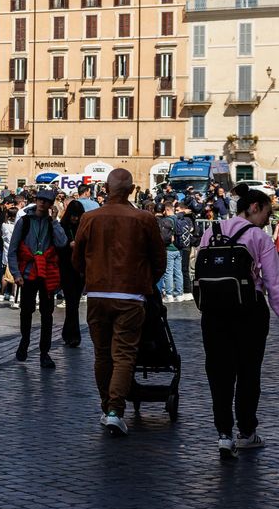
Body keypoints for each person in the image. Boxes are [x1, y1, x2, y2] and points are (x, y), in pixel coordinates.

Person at [196, 189, 279, 457]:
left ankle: (223, 434)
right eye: (266, 212)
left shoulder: (212, 231)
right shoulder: (258, 237)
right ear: (254, 207)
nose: (267, 219)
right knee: (248, 372)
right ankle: (246, 431)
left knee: (218, 372)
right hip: (248, 312)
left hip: (213, 312)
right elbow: (275, 283)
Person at [72, 168, 166, 437]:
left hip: (98, 294)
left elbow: (77, 258)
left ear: (106, 188)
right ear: (133, 189)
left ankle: (107, 408)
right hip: (131, 295)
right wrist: (144, 281)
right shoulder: (144, 218)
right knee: (123, 355)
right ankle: (115, 410)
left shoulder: (90, 218)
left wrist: (90, 275)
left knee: (102, 354)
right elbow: (158, 260)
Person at [8, 189, 66, 369]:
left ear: (50, 205)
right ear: (36, 201)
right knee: (26, 311)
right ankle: (24, 342)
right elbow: (13, 250)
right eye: (40, 200)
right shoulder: (24, 222)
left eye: (46, 201)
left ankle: (44, 352)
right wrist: (16, 274)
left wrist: (55, 221)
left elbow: (62, 243)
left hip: (46, 273)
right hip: (28, 274)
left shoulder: (51, 223)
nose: (42, 203)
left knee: (47, 315)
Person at [56, 201, 86, 347]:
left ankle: (68, 333)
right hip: (66, 268)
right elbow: (59, 246)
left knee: (73, 303)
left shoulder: (83, 228)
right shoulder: (63, 227)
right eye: (73, 216)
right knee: (72, 302)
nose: (75, 219)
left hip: (79, 270)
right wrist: (69, 244)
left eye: (77, 216)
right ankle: (73, 335)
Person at [158, 202, 183, 303]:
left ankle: (169, 294)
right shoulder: (179, 219)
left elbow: (164, 237)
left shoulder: (167, 220)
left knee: (168, 272)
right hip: (179, 248)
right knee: (178, 272)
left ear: (167, 210)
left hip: (170, 248)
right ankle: (179, 293)